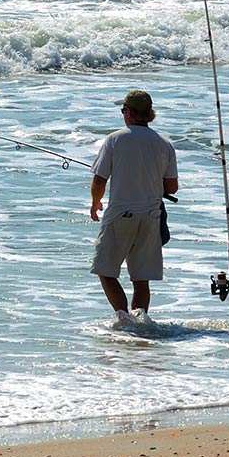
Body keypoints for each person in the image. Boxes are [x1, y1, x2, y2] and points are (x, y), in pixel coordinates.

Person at [89, 89, 178, 319]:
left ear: (128, 112)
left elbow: (100, 179)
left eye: (123, 110)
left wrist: (95, 202)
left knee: (105, 271)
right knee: (141, 279)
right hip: (151, 217)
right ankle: (139, 322)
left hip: (121, 215)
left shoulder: (115, 139)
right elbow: (171, 188)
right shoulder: (164, 144)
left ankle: (123, 318)